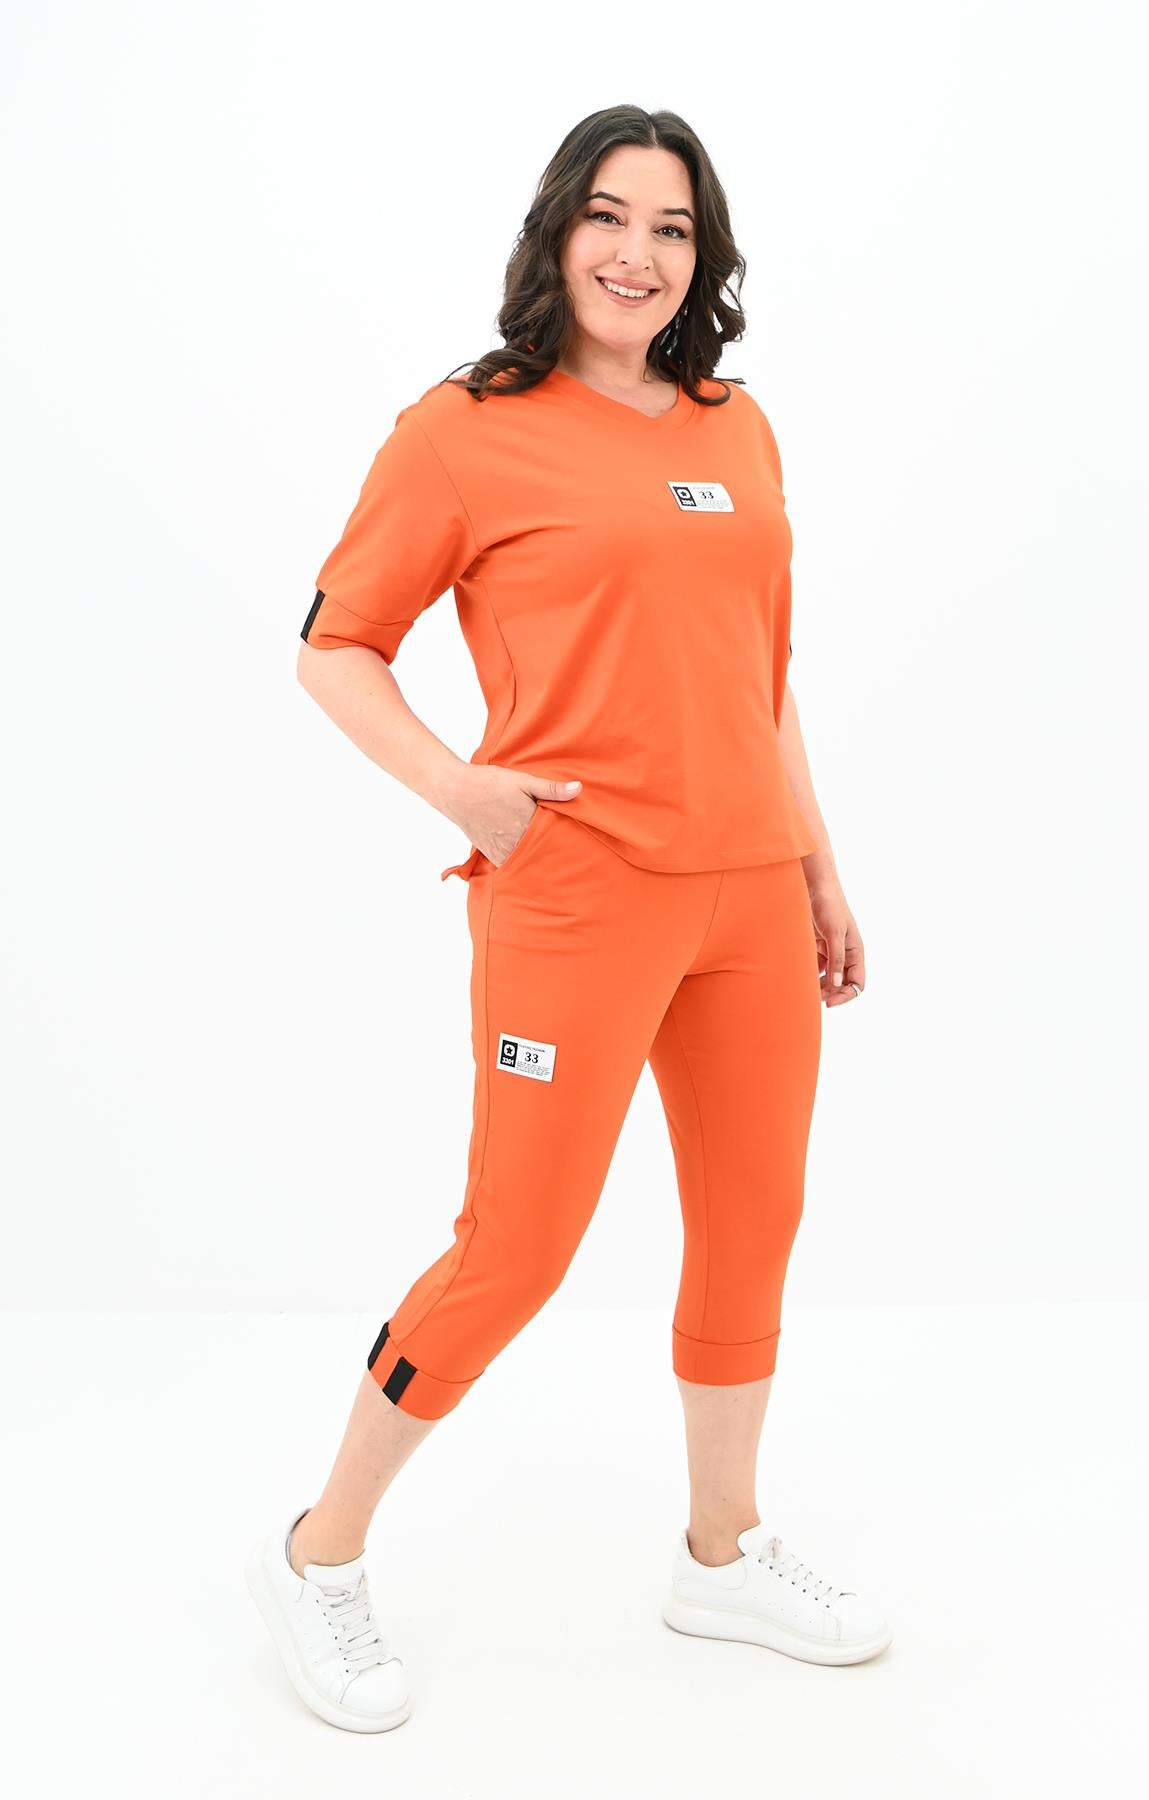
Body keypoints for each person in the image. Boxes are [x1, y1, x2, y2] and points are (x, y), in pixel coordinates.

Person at [245, 104, 889, 1734]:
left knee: (751, 1223)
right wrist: (461, 791)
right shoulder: (464, 428)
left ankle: (722, 1553)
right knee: (517, 1248)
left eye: (672, 227)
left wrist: (817, 867)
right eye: (609, 216)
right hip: (577, 899)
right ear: (557, 232)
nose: (637, 253)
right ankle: (320, 1553)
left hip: (748, 897)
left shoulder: (738, 427)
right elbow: (335, 645)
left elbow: (760, 679)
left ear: (702, 256)